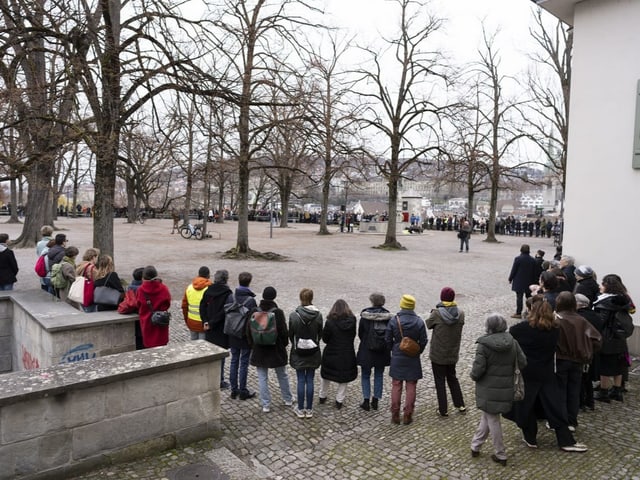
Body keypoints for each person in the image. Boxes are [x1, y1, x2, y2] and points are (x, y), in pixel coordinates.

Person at [506, 295, 588, 453]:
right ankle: (565, 440)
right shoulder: (554, 330)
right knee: (554, 406)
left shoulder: (519, 330)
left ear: (531, 311)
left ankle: (530, 437)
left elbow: (513, 338)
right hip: (546, 372)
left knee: (525, 406)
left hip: (527, 373)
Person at [470, 313, 526, 466]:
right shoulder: (513, 342)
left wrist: (473, 376)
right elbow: (523, 362)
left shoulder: (484, 344)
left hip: (488, 389)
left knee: (493, 419)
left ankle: (500, 453)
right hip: (506, 387)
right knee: (488, 416)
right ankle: (475, 445)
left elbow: (478, 369)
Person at [554, 291, 602, 430]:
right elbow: (597, 340)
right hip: (578, 361)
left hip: (561, 360)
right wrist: (587, 350)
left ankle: (561, 420)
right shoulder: (581, 321)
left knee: (561, 390)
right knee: (574, 391)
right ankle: (571, 421)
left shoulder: (557, 319)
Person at [248, 286, 293, 413]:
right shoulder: (277, 312)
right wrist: (283, 345)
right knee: (282, 375)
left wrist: (253, 344)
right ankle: (288, 399)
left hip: (259, 349)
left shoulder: (254, 311)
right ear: (274, 297)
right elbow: (284, 332)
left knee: (262, 377)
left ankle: (265, 404)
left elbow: (248, 331)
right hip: (275, 349)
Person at [385, 294, 428, 425]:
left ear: (402, 305)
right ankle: (408, 415)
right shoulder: (419, 321)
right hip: (412, 357)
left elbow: (387, 339)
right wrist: (417, 350)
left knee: (396, 385)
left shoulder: (394, 320)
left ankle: (395, 414)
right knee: (411, 385)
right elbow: (424, 340)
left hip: (397, 355)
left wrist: (393, 349)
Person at [592, 274, 635, 403]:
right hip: (619, 338)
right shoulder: (624, 298)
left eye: (602, 284)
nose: (600, 286)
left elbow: (601, 321)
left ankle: (603, 393)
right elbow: (632, 311)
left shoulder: (606, 301)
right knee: (619, 365)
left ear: (608, 286)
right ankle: (617, 391)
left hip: (607, 338)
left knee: (604, 366)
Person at [426, 287, 466, 417]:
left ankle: (443, 409)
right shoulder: (460, 314)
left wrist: (433, 312)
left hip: (438, 354)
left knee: (440, 381)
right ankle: (460, 404)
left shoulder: (437, 313)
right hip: (452, 352)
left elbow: (428, 324)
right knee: (452, 378)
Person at [289, 288, 323, 418]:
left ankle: (300, 408)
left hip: (299, 351)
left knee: (300, 379)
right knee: (310, 379)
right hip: (313, 350)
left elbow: (290, 334)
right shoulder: (318, 315)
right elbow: (320, 333)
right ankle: (309, 409)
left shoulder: (294, 315)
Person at [356, 292, 393, 411]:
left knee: (365, 375)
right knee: (379, 375)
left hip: (367, 349)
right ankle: (376, 400)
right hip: (382, 351)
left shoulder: (365, 316)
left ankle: (366, 400)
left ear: (372, 301)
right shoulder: (388, 317)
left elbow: (360, 333)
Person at [319, 299, 358, 410]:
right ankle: (339, 400)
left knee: (326, 375)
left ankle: (322, 395)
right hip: (347, 353)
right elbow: (353, 336)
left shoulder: (330, 322)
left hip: (331, 352)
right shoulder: (353, 321)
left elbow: (325, 338)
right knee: (344, 378)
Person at [226, 271, 258, 400]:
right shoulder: (251, 301)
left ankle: (234, 390)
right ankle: (243, 390)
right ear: (249, 282)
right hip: (244, 335)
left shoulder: (231, 297)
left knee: (234, 361)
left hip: (232, 333)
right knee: (243, 363)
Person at [200, 269, 233, 389]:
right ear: (226, 279)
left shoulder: (208, 291)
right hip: (220, 329)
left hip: (209, 328)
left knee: (210, 354)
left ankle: (209, 378)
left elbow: (202, 306)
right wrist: (212, 323)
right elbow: (225, 311)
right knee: (221, 357)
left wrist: (205, 321)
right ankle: (219, 380)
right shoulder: (228, 293)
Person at [136, 265, 171, 348]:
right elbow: (167, 303)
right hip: (161, 323)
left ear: (143, 278)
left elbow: (138, 304)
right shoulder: (164, 288)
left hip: (147, 322)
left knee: (148, 349)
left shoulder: (140, 290)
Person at [508, 244, 539, 319]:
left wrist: (510, 278)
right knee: (529, 297)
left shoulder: (518, 259)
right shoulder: (533, 260)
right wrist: (535, 281)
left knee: (519, 298)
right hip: (529, 281)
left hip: (519, 281)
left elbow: (514, 269)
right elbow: (535, 272)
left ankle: (518, 313)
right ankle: (531, 311)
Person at [182, 266, 212, 340]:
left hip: (191, 321)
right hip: (204, 323)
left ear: (198, 275)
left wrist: (187, 320)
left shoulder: (189, 288)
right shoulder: (210, 288)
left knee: (193, 345)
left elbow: (184, 306)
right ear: (208, 275)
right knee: (203, 346)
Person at [36, 226, 53, 292]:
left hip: (42, 265)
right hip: (51, 265)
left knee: (44, 284)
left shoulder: (39, 243)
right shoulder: (54, 242)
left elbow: (38, 254)